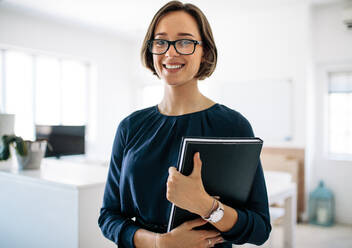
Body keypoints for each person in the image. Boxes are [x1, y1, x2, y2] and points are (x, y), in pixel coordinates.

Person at [98, 1, 271, 247]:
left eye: (185, 41)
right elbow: (109, 217)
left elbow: (260, 228)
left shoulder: (233, 125)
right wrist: (160, 243)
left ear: (205, 53)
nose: (170, 52)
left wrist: (205, 205)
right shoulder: (130, 127)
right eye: (160, 42)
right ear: (151, 50)